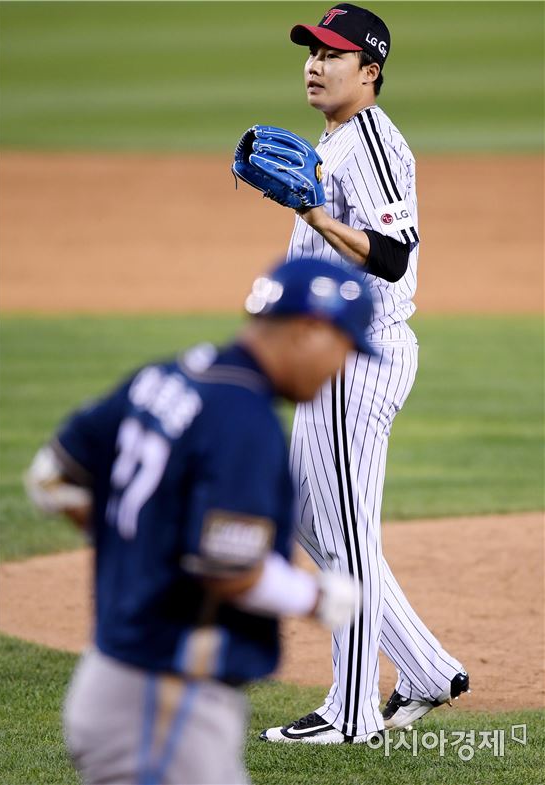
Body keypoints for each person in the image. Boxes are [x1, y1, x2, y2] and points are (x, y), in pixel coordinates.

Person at [24, 257, 376, 785]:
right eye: (345, 348)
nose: (343, 368)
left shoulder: (168, 376)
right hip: (164, 699)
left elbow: (51, 478)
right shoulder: (243, 419)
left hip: (113, 675)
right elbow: (228, 569)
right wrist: (321, 599)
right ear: (310, 331)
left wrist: (145, 548)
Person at [260, 4, 469, 744]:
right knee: (311, 522)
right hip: (323, 359)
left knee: (348, 537)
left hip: (359, 359)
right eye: (311, 52)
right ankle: (425, 668)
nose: (315, 64)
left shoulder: (375, 142)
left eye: (333, 55)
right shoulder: (338, 136)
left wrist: (316, 216)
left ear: (370, 72)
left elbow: (391, 256)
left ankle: (351, 715)